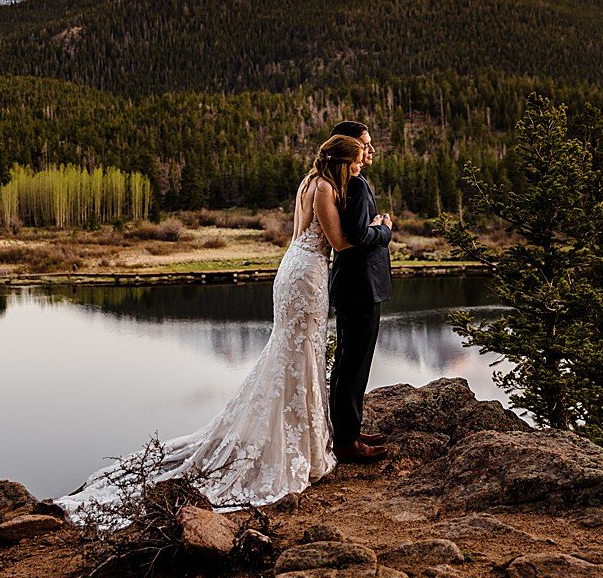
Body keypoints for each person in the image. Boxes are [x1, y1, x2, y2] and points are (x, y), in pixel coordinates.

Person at [55, 134, 387, 523]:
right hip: (307, 275)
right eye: (356, 162)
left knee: (294, 353)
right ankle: (302, 443)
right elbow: (339, 242)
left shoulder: (308, 181)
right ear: (342, 163)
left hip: (295, 267)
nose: (361, 166)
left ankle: (306, 435)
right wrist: (381, 227)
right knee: (299, 353)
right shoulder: (326, 189)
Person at [326, 120, 393, 463]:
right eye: (366, 144)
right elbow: (356, 236)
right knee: (354, 366)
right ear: (349, 146)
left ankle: (346, 431)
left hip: (353, 286)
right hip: (361, 287)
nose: (371, 151)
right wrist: (384, 231)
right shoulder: (355, 185)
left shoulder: (344, 182)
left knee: (347, 364)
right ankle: (347, 444)